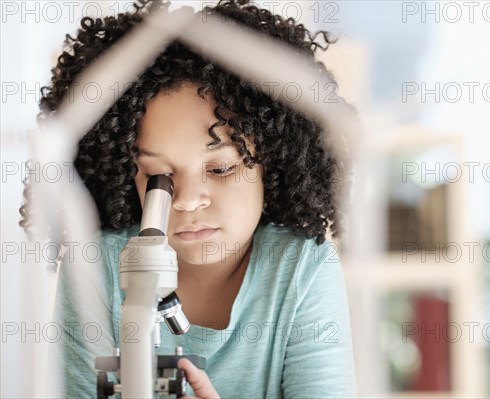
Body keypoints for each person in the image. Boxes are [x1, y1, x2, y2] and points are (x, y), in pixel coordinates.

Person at [19, 0, 356, 397]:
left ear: (275, 162)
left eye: (220, 170)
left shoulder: (301, 269)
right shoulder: (96, 268)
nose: (187, 201)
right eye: (159, 177)